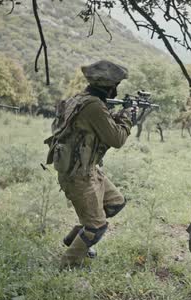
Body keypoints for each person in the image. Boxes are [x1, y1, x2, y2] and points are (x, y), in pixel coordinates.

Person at [44, 60, 132, 267]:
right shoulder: (93, 106)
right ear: (108, 86)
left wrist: (116, 116)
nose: (116, 92)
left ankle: (76, 240)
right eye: (115, 87)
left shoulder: (81, 99)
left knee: (115, 204)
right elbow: (117, 139)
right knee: (96, 227)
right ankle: (69, 264)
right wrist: (127, 117)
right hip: (79, 174)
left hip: (87, 169)